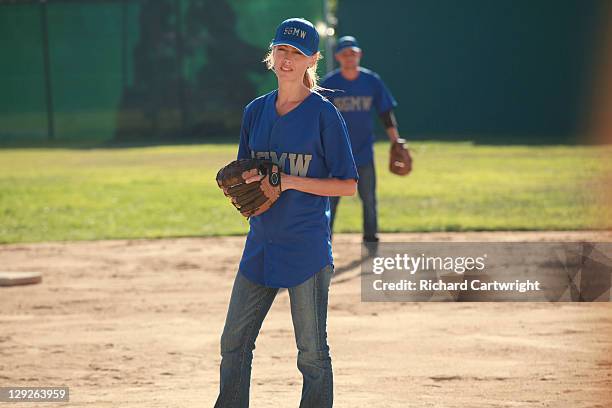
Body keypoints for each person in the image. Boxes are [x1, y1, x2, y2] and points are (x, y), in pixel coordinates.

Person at [214, 18, 358, 408]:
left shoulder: (323, 115)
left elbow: (347, 184)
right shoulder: (255, 111)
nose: (287, 59)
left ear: (312, 59)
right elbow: (247, 173)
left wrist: (290, 181)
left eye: (297, 53)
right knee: (234, 342)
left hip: (305, 247)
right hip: (261, 243)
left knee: (311, 353)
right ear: (271, 55)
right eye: (281, 50)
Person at [321, 36, 403, 252]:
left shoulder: (371, 81)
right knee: (330, 203)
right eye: (345, 53)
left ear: (360, 54)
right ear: (338, 56)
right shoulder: (330, 84)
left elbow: (385, 112)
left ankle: (371, 242)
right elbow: (315, 117)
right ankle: (323, 244)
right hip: (335, 155)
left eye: (353, 53)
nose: (350, 57)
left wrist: (396, 139)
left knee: (368, 199)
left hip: (364, 151)